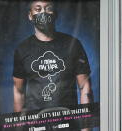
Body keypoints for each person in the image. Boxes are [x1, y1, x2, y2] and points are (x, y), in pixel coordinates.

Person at [13, 0, 93, 130]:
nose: (43, 13)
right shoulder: (22, 49)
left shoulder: (73, 44)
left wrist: (86, 128)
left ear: (55, 14)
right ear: (30, 15)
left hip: (67, 123)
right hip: (36, 124)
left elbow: (85, 87)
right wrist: (18, 127)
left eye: (48, 8)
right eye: (38, 9)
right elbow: (18, 91)